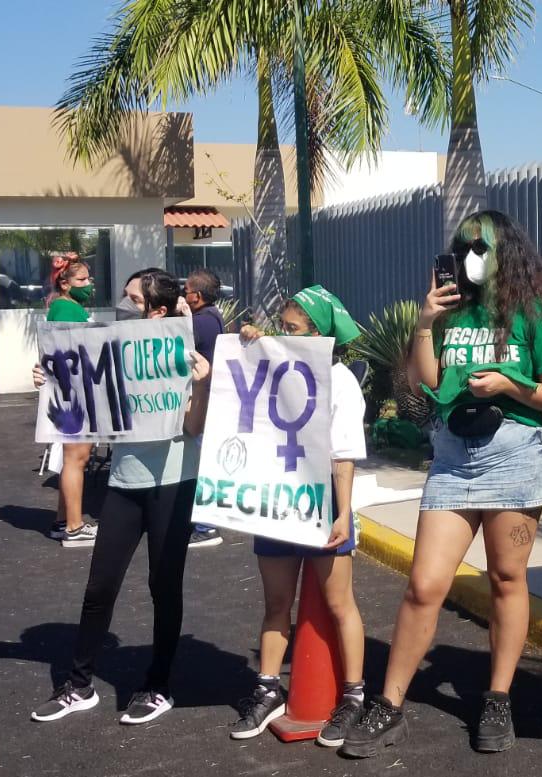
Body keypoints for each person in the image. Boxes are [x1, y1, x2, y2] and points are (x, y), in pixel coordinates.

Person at [340, 210, 542, 758]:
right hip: (452, 456)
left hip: (514, 453)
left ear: (505, 251)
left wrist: (508, 385)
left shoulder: (536, 310)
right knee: (424, 585)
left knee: (506, 579)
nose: (471, 256)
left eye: (481, 247)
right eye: (464, 246)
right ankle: (389, 704)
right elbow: (425, 382)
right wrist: (425, 321)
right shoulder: (450, 310)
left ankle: (498, 698)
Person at [28, 269, 213, 727]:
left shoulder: (185, 356)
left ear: (158, 311)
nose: (123, 305)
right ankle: (79, 684)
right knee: (100, 586)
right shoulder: (113, 350)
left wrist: (202, 384)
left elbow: (194, 427)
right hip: (124, 483)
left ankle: (158, 685)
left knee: (163, 586)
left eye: (133, 299)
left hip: (173, 482)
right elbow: (86, 398)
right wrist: (54, 379)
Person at [229, 285, 371, 747]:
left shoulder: (341, 381)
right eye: (281, 326)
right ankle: (268, 689)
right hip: (277, 500)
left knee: (339, 603)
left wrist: (343, 513)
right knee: (275, 603)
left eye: (291, 328)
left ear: (318, 335)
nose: (282, 334)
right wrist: (252, 342)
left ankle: (353, 696)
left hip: (321, 501)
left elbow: (344, 454)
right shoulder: (275, 366)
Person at [46, 258, 99, 548]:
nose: (87, 284)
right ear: (65, 284)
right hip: (76, 391)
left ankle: (62, 521)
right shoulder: (66, 309)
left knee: (72, 458)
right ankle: (75, 527)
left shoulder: (63, 306)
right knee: (76, 459)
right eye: (81, 280)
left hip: (72, 390)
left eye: (88, 279)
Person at [183, 269, 226, 549]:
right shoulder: (213, 317)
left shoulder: (200, 323)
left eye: (186, 290)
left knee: (202, 462)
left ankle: (207, 526)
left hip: (204, 399)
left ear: (196, 296)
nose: (183, 294)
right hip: (209, 397)